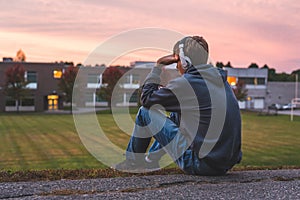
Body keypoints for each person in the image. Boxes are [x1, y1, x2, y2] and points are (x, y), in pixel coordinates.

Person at [113, 36, 242, 175]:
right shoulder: (222, 81)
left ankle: (133, 163)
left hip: (199, 164)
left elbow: (146, 99)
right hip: (224, 164)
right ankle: (151, 160)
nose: (176, 65)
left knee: (145, 113)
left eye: (178, 61)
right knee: (177, 114)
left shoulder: (187, 84)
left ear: (185, 62)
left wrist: (158, 66)